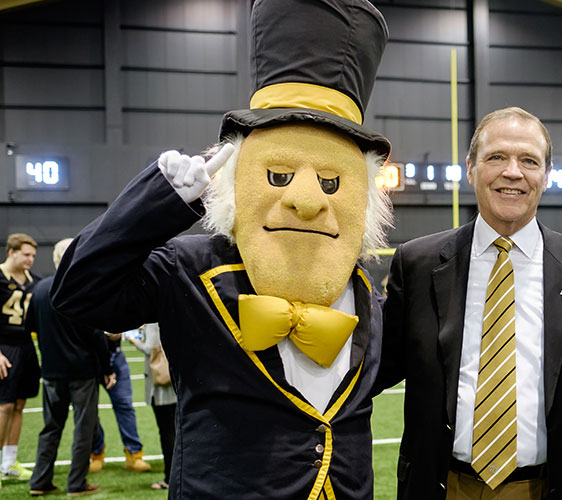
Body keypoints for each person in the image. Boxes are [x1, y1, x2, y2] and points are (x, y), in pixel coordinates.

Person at [50, 0, 393, 497]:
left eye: (331, 181)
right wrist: (157, 204)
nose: (304, 200)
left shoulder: (364, 289)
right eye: (278, 175)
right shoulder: (188, 268)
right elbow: (77, 291)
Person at [375, 107, 562, 500]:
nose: (513, 172)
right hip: (444, 485)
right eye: (496, 157)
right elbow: (376, 367)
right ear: (471, 168)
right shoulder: (419, 263)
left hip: (546, 487)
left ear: (546, 176)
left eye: (529, 161)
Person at [26, 238, 116, 497]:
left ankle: (39, 481)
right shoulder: (81, 288)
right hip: (81, 372)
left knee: (50, 428)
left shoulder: (40, 289)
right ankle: (75, 484)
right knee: (83, 429)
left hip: (52, 373)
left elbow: (29, 328)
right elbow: (95, 334)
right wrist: (107, 367)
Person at [0, 233, 41, 482]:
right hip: (3, 346)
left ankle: (9, 463)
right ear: (11, 252)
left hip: (26, 346)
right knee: (4, 405)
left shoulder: (34, 281)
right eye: (26, 254)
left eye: (33, 255)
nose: (31, 259)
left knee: (19, 405)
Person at [88, 331, 152, 473]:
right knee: (89, 410)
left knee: (124, 405)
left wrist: (121, 330)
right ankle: (96, 453)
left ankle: (134, 453)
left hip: (114, 355)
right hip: (88, 357)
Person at [128, 323, 176, 490]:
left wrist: (133, 341)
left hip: (161, 386)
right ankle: (174, 476)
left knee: (167, 433)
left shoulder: (153, 323)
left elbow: (151, 349)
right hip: (172, 382)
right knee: (173, 431)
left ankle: (169, 478)